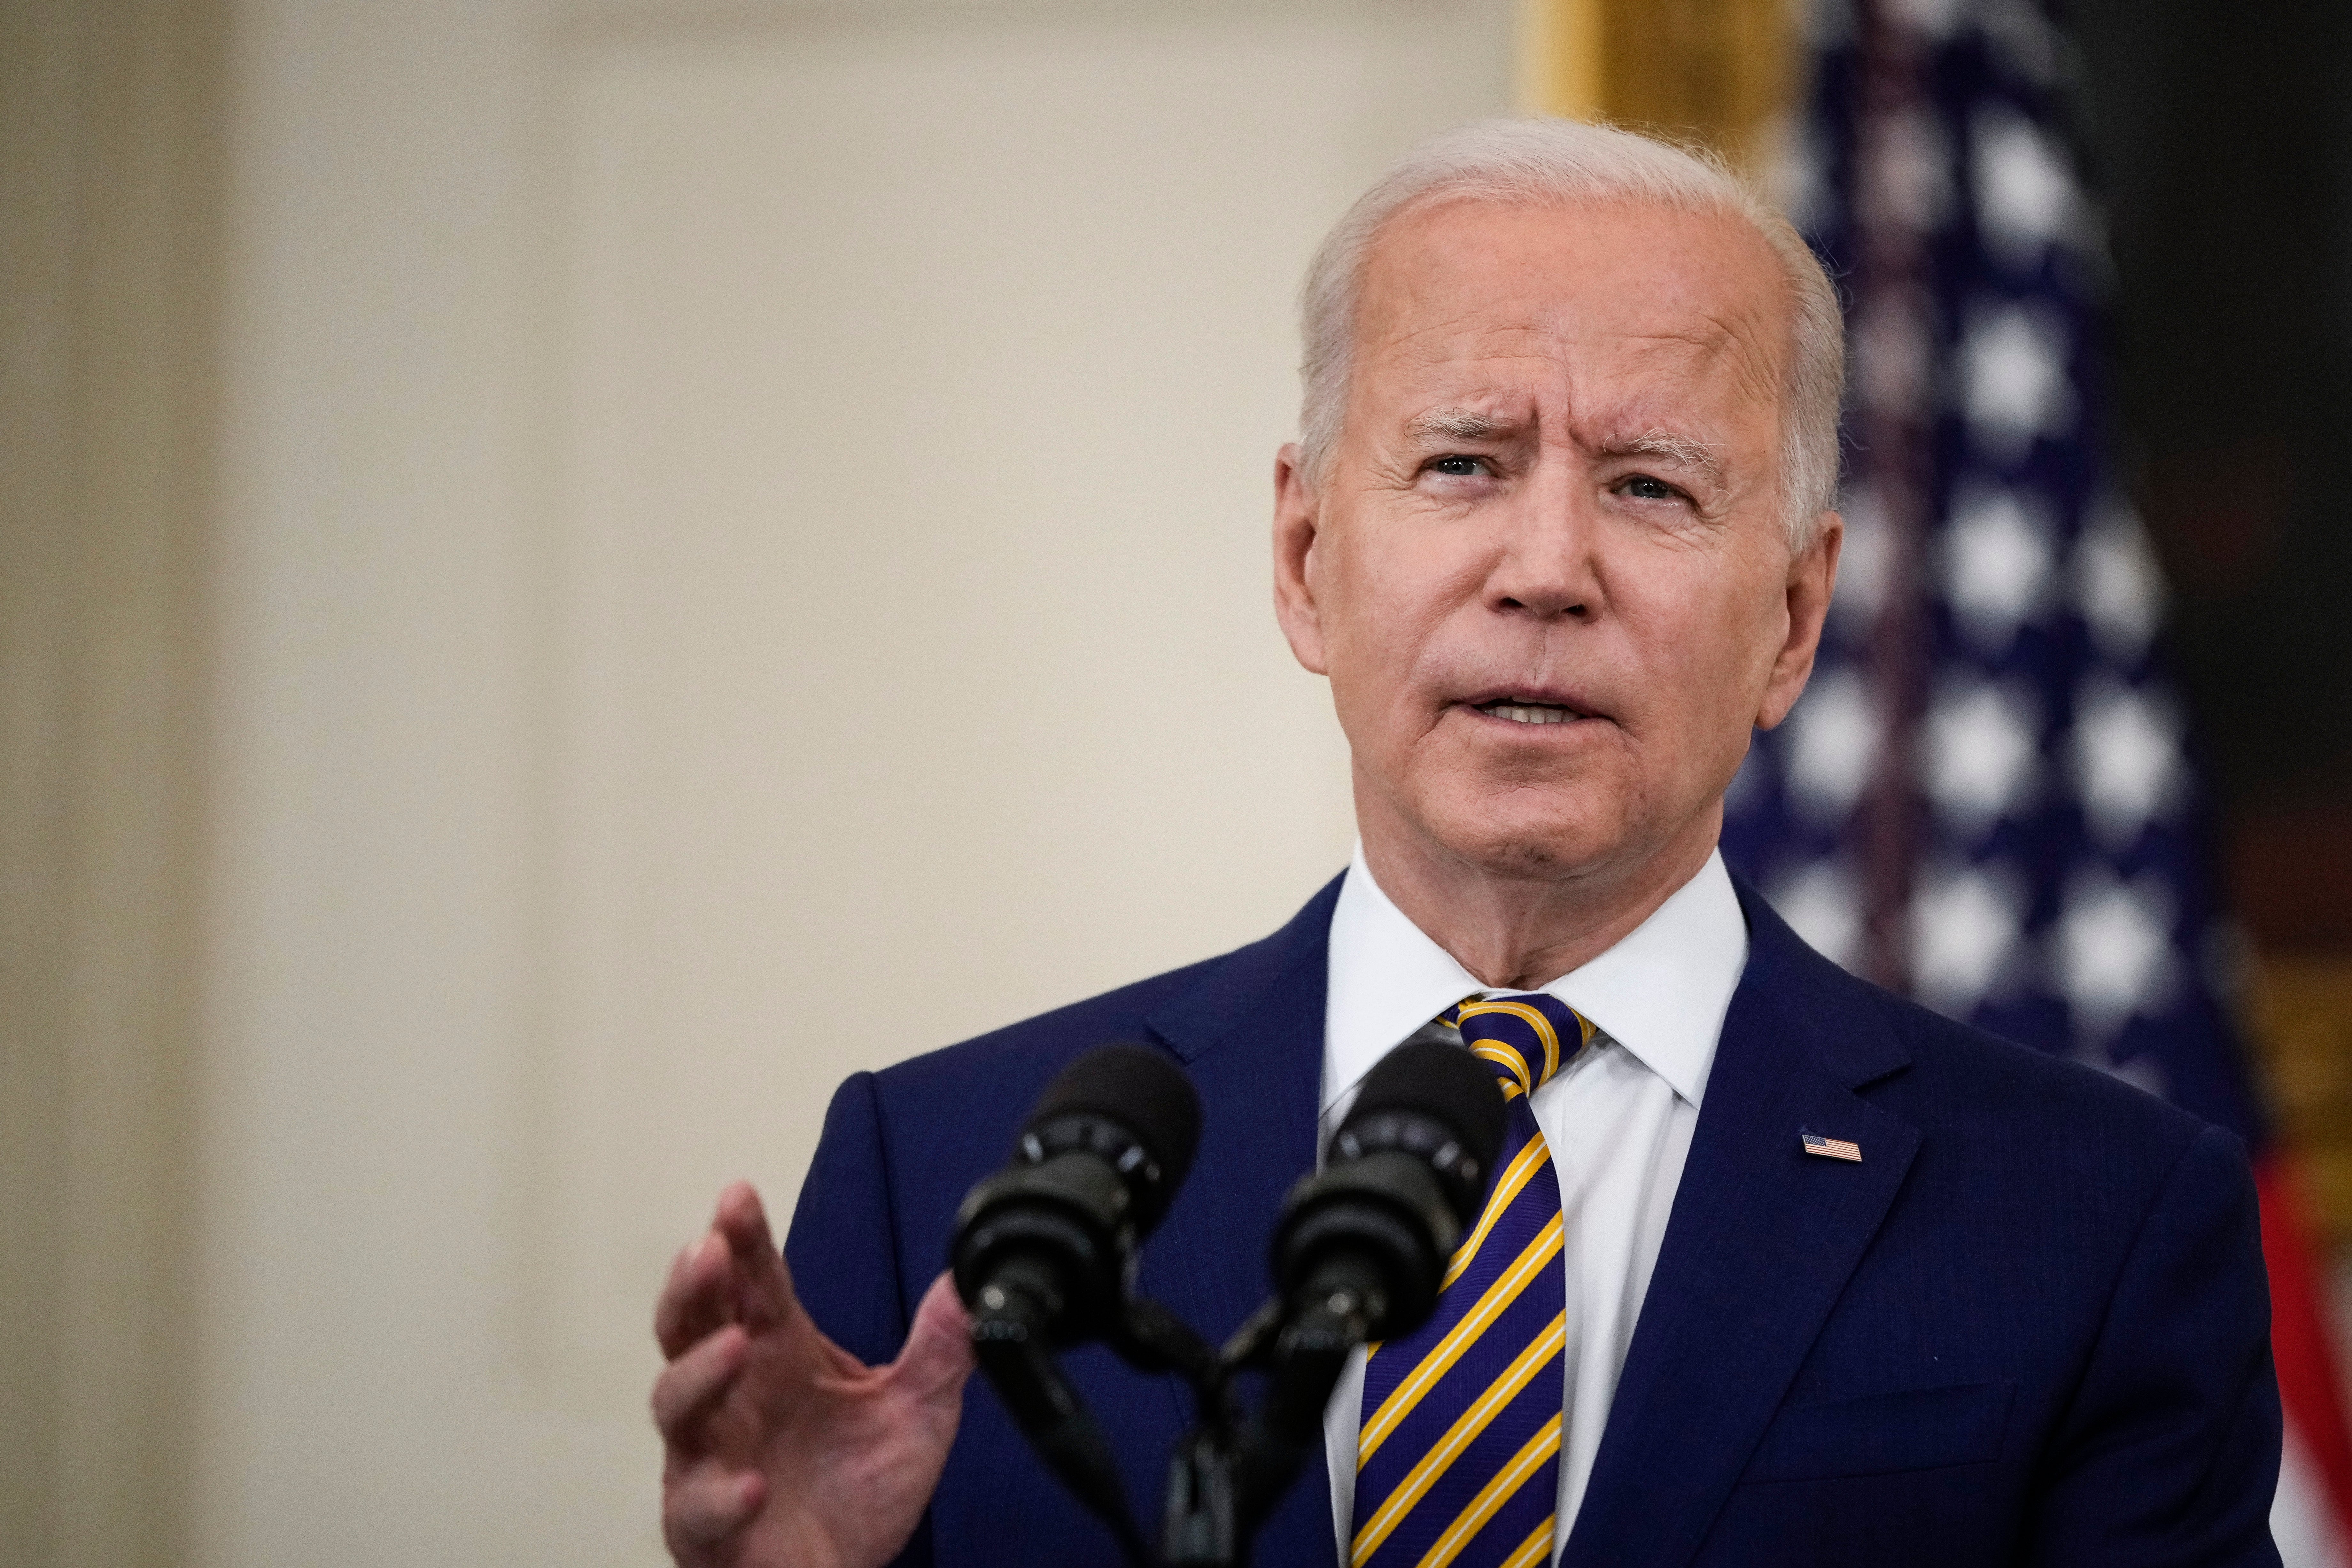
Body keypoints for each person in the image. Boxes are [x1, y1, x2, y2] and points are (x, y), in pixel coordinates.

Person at [649, 119, 2281, 1568]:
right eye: (1461, 465)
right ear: (1303, 560)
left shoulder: (2095, 1221)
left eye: (1649, 487)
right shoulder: (942, 1177)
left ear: (1792, 619)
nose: (1546, 568)